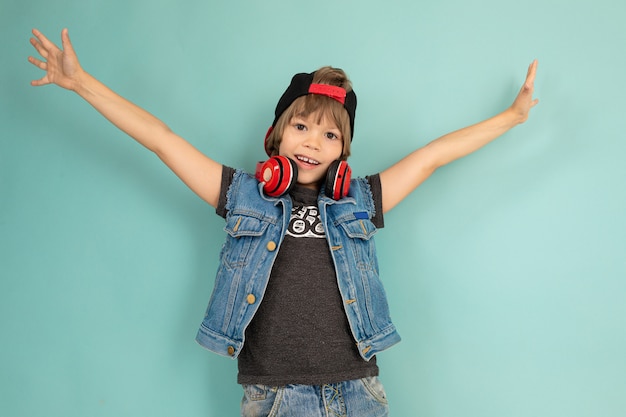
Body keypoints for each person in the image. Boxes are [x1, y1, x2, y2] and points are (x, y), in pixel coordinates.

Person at [28, 28, 538, 417]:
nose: (314, 142)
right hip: (274, 396)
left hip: (357, 388)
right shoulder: (242, 195)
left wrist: (512, 117)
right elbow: (161, 139)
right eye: (301, 126)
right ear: (276, 136)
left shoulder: (360, 200)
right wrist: (81, 84)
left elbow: (432, 157)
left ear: (344, 152)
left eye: (330, 135)